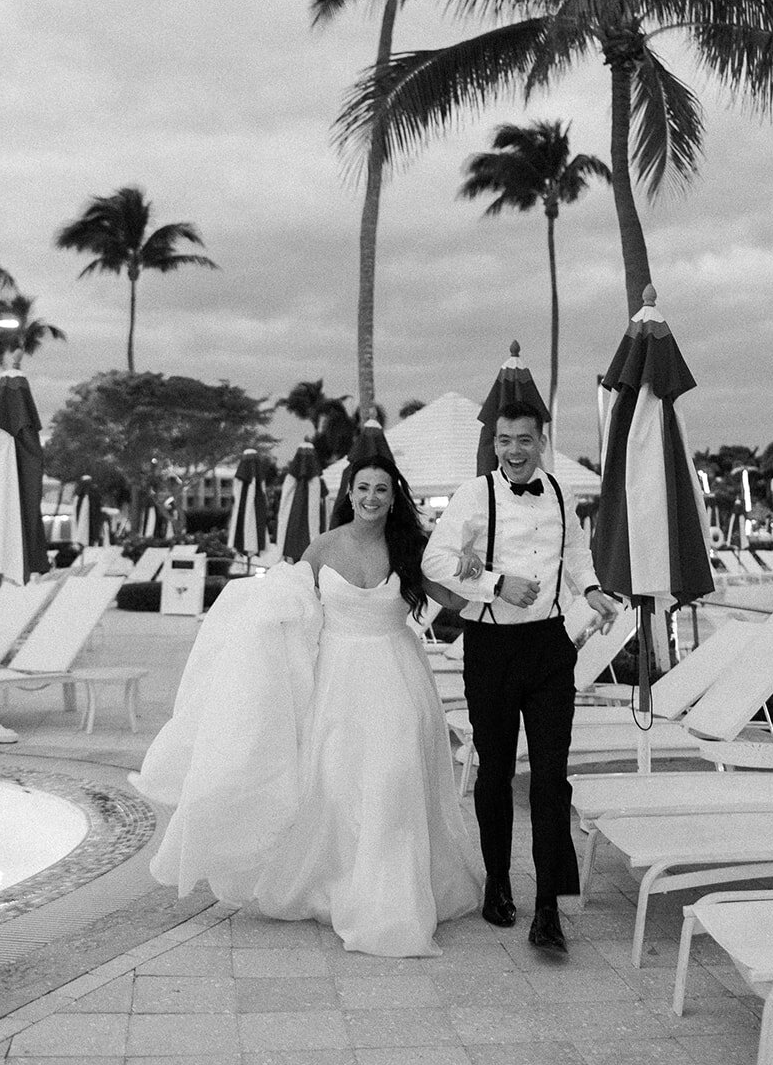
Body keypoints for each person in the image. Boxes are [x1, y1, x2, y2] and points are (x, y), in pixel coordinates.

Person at [132, 454, 482, 957]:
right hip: (336, 680)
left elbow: (450, 600)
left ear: (393, 496)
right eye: (363, 487)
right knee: (335, 781)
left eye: (382, 489)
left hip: (398, 677)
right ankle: (336, 880)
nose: (371, 498)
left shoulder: (411, 546)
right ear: (349, 492)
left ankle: (392, 893)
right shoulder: (322, 547)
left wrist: (468, 567)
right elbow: (286, 606)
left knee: (393, 779)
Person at [422, 399, 619, 955]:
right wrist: (495, 583)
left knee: (552, 778)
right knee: (496, 773)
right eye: (505, 440)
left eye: (524, 440)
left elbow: (577, 555)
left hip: (550, 647)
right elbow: (434, 561)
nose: (514, 450)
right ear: (495, 444)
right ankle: (499, 885)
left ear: (540, 441)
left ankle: (549, 908)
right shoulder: (473, 494)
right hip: (492, 647)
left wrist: (594, 590)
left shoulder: (560, 492)